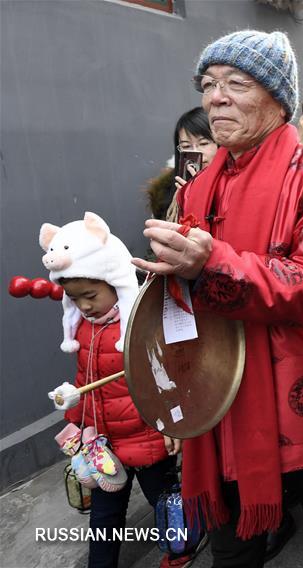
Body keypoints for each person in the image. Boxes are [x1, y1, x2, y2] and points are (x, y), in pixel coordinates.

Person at [133, 30, 303, 568]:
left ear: (278, 100)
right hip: (221, 394)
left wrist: (209, 264)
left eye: (237, 83)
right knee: (232, 548)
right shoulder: (195, 188)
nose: (216, 97)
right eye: (209, 85)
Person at [43, 213, 196, 568]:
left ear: (115, 280)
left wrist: (174, 424)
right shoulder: (85, 326)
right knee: (104, 517)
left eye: (90, 295)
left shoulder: (143, 324)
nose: (83, 305)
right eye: (74, 297)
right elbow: (86, 378)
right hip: (104, 441)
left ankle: (182, 550)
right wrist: (76, 413)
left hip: (147, 436)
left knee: (164, 499)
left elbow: (167, 375)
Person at [145, 107, 218, 221]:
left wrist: (200, 194)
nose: (195, 152)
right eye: (186, 146)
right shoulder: (167, 192)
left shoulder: (231, 184)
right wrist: (184, 196)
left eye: (203, 143)